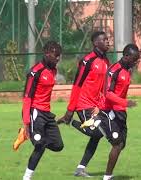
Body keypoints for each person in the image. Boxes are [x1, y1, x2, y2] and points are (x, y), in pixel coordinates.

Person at [82, 44, 140, 180]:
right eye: (134, 59)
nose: (135, 62)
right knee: (117, 143)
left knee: (121, 145)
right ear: (126, 56)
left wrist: (123, 106)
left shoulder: (127, 70)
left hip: (120, 112)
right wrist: (126, 102)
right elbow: (108, 93)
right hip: (108, 112)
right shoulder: (114, 70)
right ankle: (107, 177)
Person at [57, 31, 110, 177]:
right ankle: (70, 121)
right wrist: (70, 110)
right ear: (95, 43)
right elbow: (77, 85)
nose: (108, 41)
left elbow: (104, 87)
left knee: (97, 135)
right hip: (83, 103)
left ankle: (80, 169)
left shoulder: (106, 61)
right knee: (97, 132)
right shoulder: (87, 61)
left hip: (95, 105)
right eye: (104, 40)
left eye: (108, 39)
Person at [21, 41, 64, 180]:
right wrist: (26, 122)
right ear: (46, 53)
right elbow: (27, 97)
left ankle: (30, 136)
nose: (57, 58)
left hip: (47, 113)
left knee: (58, 146)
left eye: (59, 56)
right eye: (55, 55)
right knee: (39, 145)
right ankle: (26, 177)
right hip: (36, 113)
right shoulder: (35, 72)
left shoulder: (53, 70)